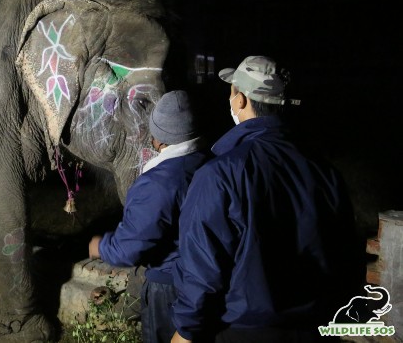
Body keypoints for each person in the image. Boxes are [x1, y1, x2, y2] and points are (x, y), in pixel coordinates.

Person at [171, 56, 365, 343]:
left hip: (242, 330)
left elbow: (202, 266)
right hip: (315, 328)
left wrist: (186, 331)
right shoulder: (324, 171)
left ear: (240, 101)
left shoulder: (219, 174)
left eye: (232, 90)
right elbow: (347, 256)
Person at [88, 90, 210, 343]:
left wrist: (101, 247)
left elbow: (131, 247)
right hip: (202, 279)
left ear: (159, 138)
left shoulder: (157, 183)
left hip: (169, 286)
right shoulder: (208, 162)